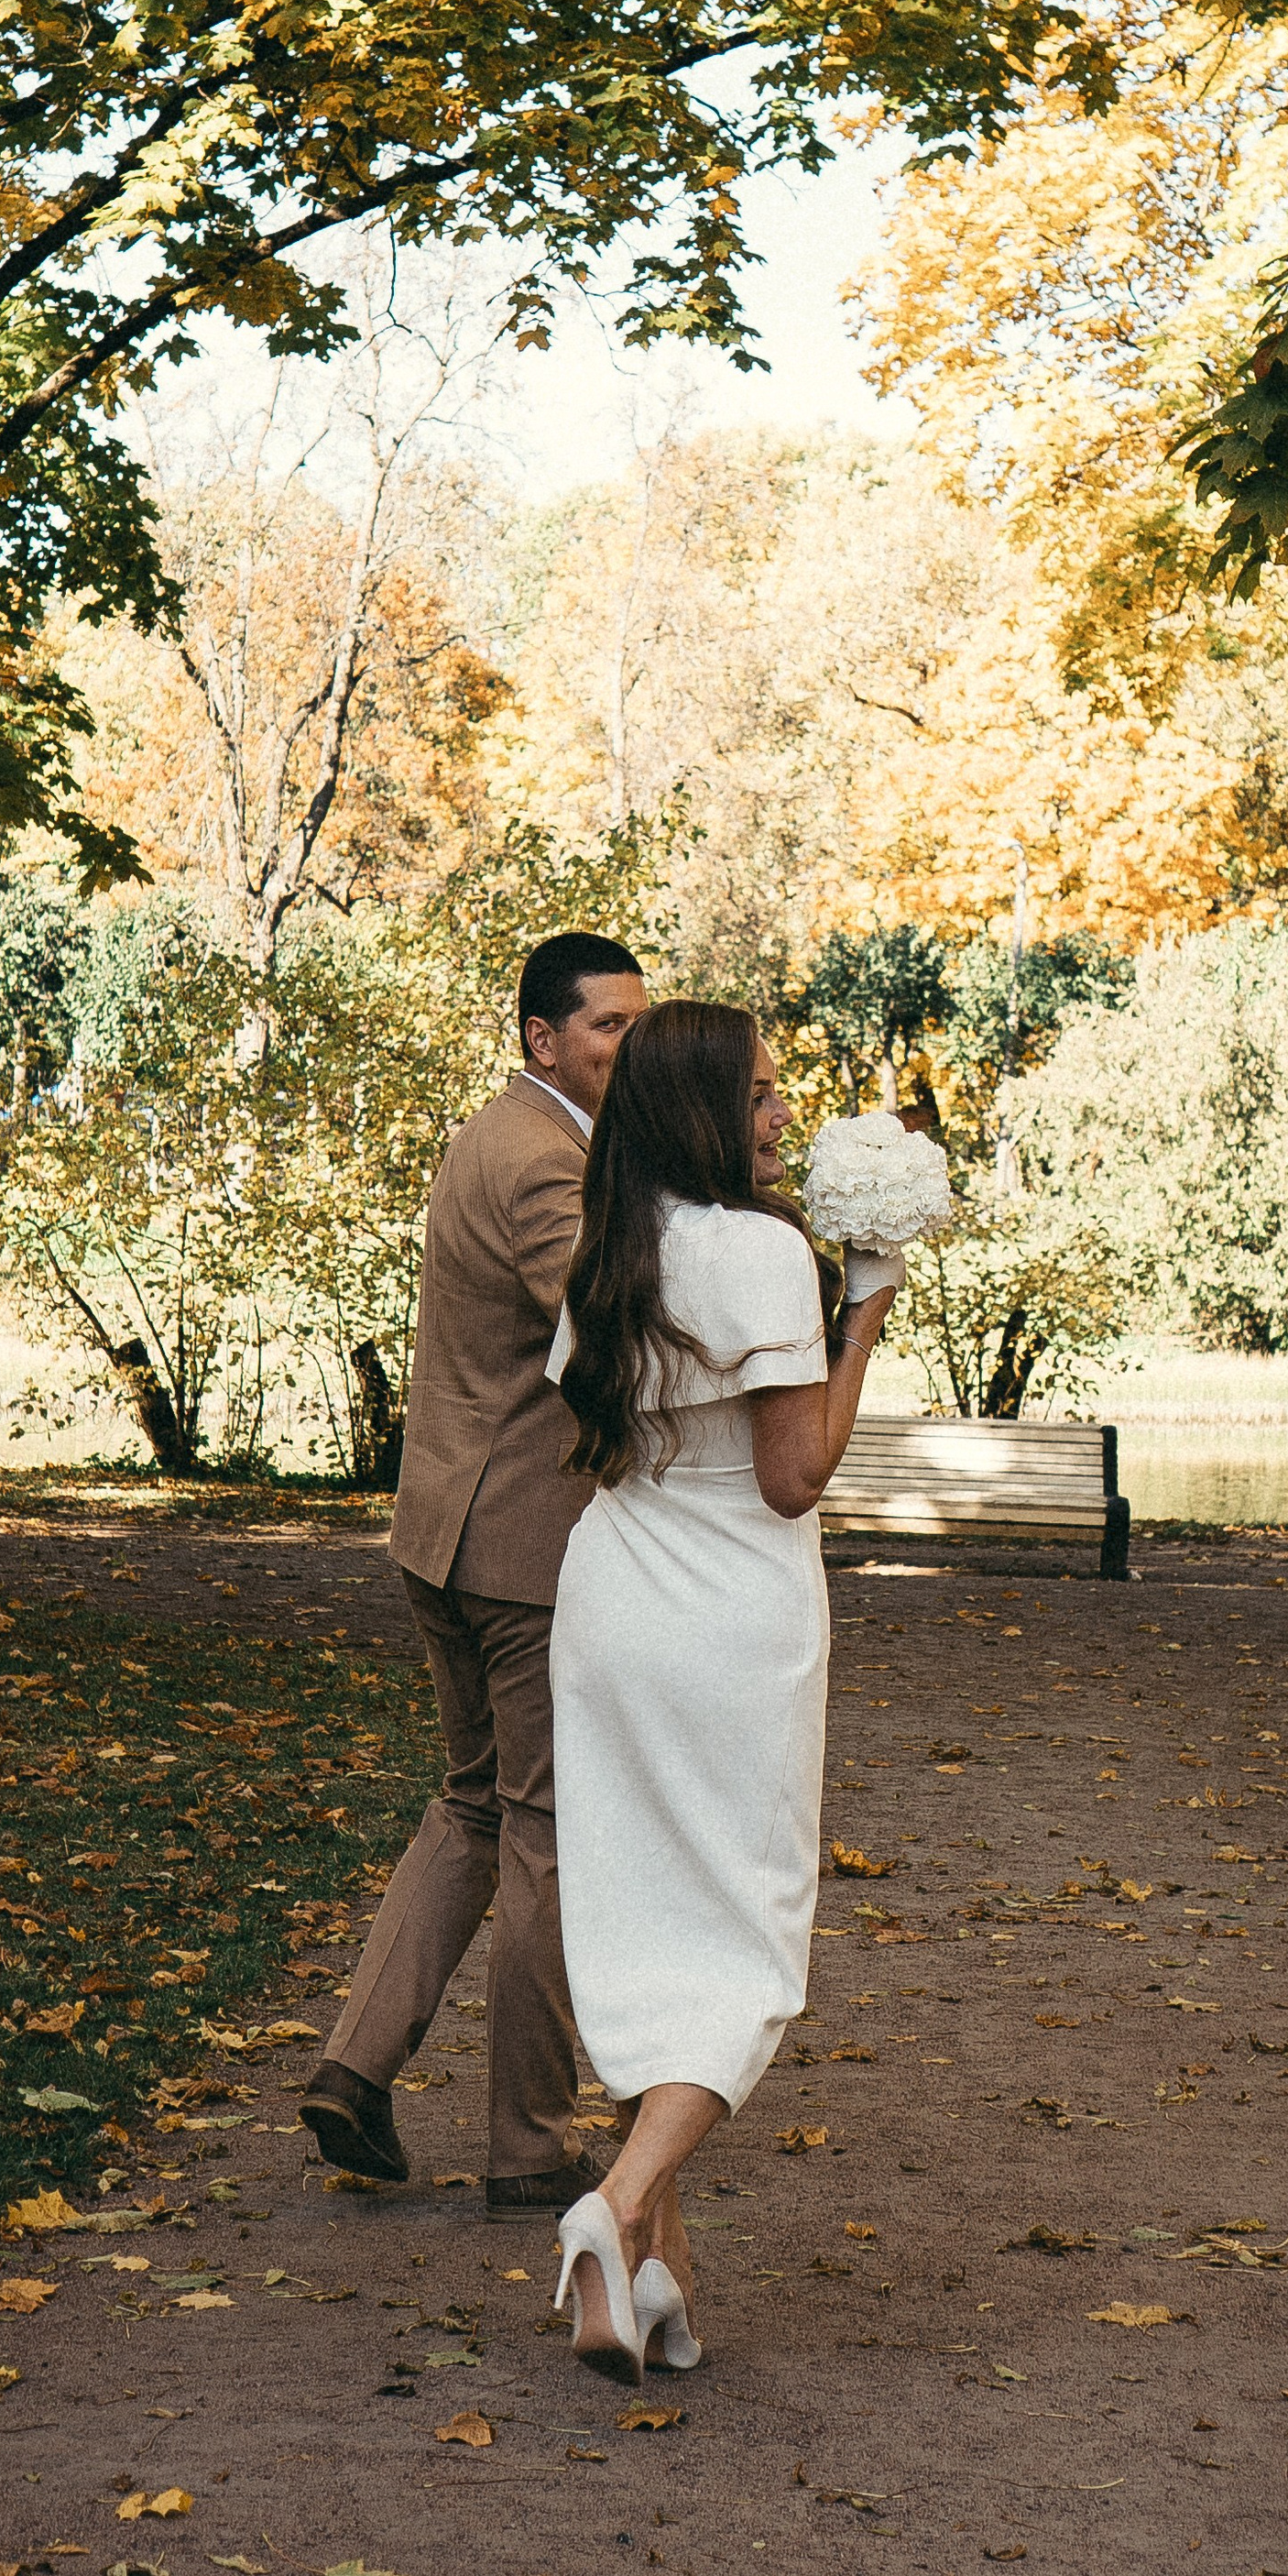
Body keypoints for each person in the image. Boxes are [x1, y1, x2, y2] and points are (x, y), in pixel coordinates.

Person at [540, 1000, 900, 2380]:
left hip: (618, 1592)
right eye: (755, 1096)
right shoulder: (757, 1255)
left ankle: (658, 2273)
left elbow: (598, 1432)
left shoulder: (613, 1248)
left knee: (639, 1918)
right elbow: (793, 1473)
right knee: (748, 1932)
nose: (776, 1118)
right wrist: (861, 1312)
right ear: (700, 1111)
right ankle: (614, 2207)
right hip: (732, 1612)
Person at [300, 931, 648, 2210]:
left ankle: (354, 2066)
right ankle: (530, 2146)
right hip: (521, 1550)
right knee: (549, 1833)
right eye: (606, 1025)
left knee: (471, 1805)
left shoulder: (493, 1133)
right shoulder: (547, 1158)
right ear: (540, 1039)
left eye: (636, 1024)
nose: (628, 1044)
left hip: (442, 1527)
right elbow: (608, 1324)